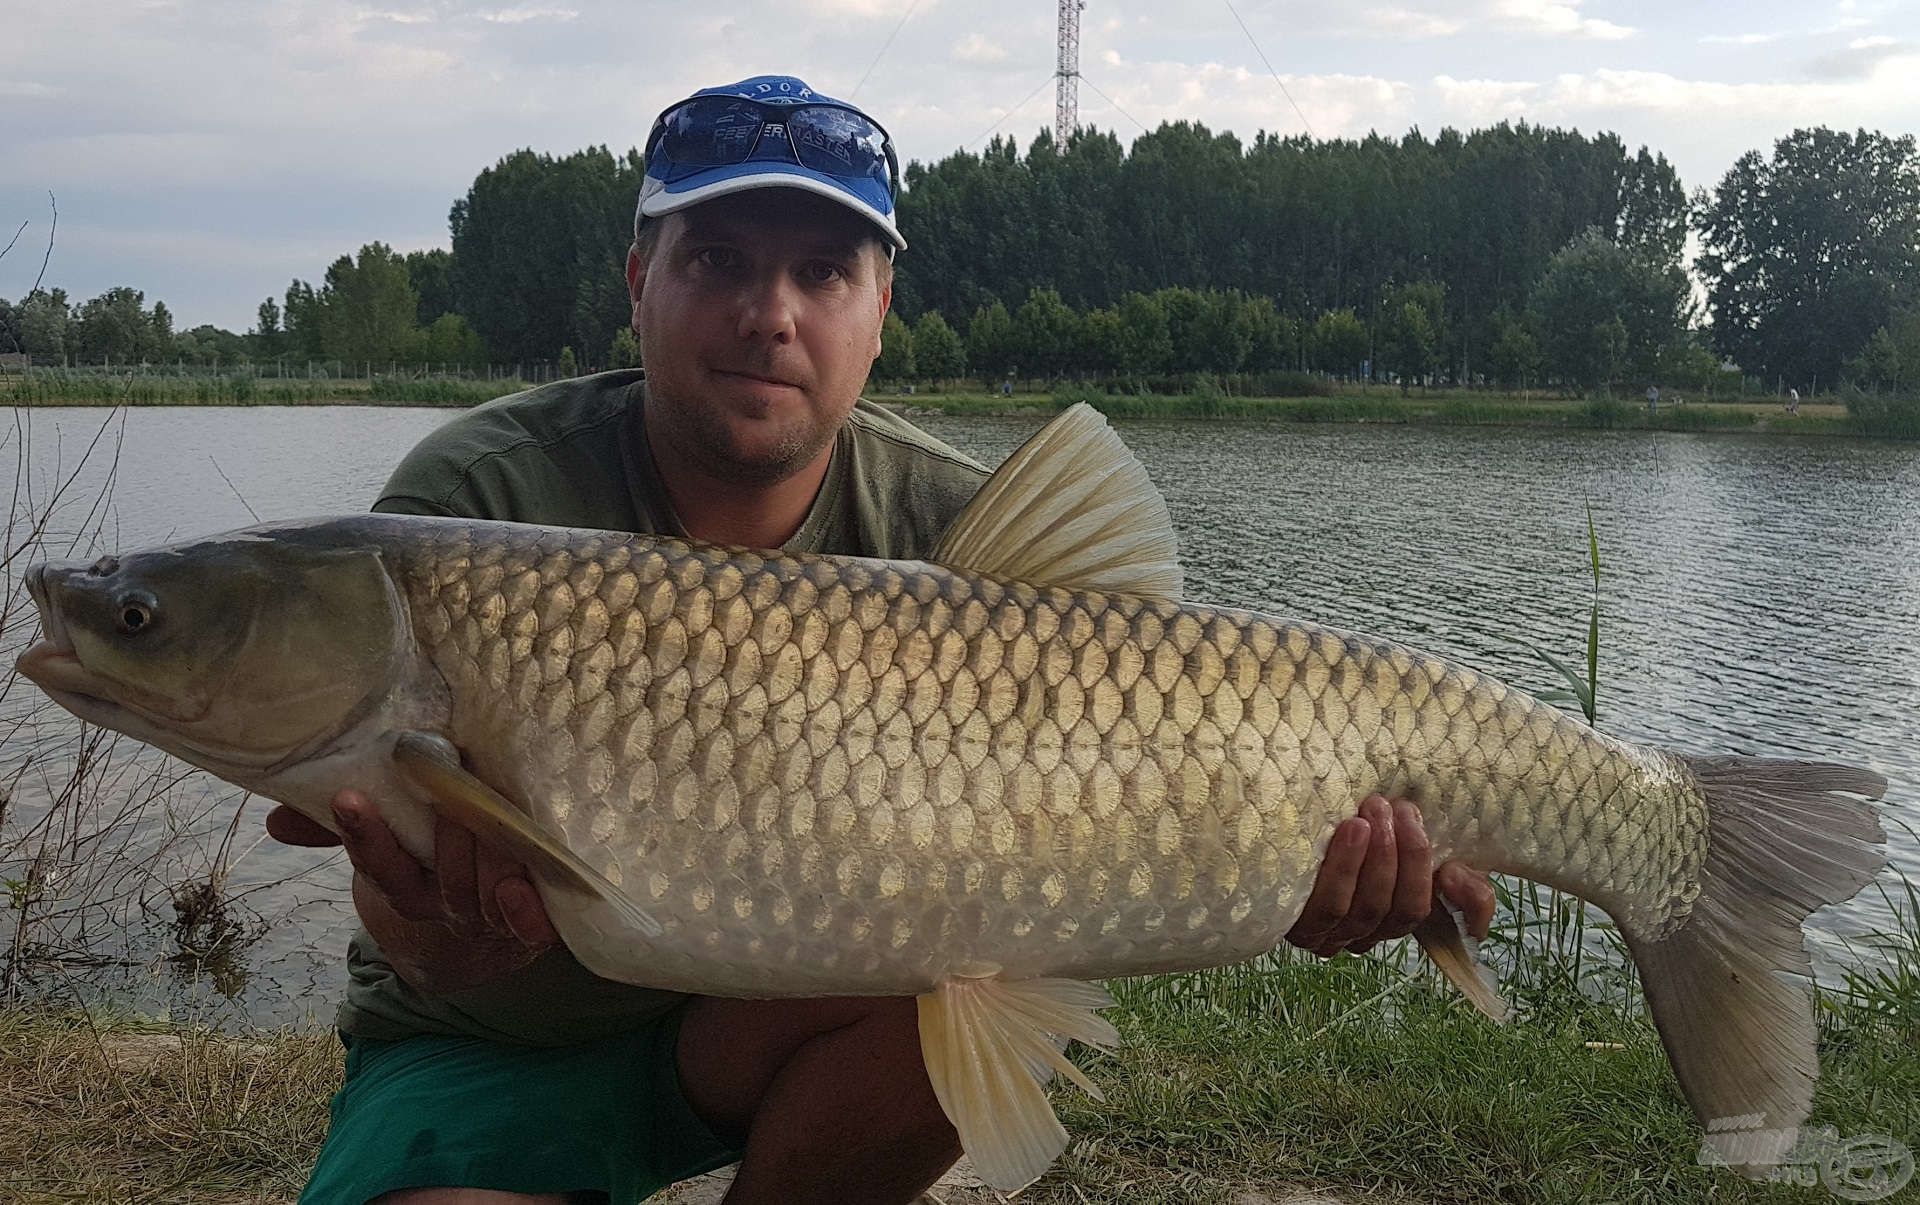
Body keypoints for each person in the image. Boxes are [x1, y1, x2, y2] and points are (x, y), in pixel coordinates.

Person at [270, 74, 1496, 1205]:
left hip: (794, 1029)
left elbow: (1119, 813)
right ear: (639, 278)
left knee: (956, 980)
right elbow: (427, 955)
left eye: (822, 272)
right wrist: (438, 923)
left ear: (881, 307)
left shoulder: (954, 525)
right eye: (719, 261)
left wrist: (1293, 875)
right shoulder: (462, 514)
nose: (770, 315)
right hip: (496, 1043)